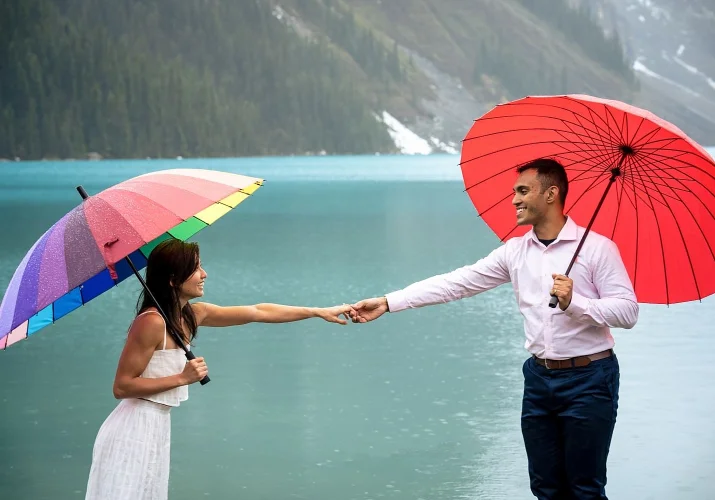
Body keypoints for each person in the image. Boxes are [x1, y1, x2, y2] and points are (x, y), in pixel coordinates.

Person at [350, 158, 638, 500]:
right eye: (514, 192)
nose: (514, 200)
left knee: (585, 489)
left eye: (523, 191)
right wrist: (388, 302)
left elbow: (628, 311)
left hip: (590, 378)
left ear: (551, 194)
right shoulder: (514, 252)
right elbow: (457, 283)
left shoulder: (597, 249)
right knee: (546, 488)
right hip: (539, 378)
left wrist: (575, 303)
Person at [85, 239, 353, 500]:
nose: (204, 274)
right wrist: (181, 378)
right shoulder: (152, 322)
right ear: (173, 279)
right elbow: (122, 386)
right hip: (132, 429)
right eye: (196, 268)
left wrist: (318, 311)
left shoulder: (192, 314)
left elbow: (258, 311)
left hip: (157, 424)